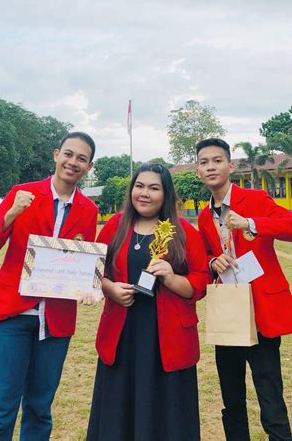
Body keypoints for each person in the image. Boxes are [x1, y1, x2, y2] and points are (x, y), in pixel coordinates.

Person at [0, 131, 98, 441]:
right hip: (13, 317)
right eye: (68, 154)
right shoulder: (22, 193)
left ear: (88, 167)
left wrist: (89, 287)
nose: (73, 162)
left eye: (81, 159)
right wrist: (12, 212)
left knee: (39, 409)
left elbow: (83, 265)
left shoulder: (88, 210)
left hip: (56, 323)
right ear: (56, 154)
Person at [195, 137, 292, 441]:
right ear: (198, 171)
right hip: (228, 313)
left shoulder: (256, 199)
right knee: (231, 398)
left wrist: (251, 224)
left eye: (217, 161)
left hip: (262, 314)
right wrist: (212, 261)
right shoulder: (205, 216)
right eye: (204, 162)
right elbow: (204, 256)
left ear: (230, 166)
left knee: (270, 395)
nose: (211, 167)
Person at [86, 164, 210, 441]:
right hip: (123, 334)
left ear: (166, 194)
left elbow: (201, 282)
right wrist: (110, 288)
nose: (145, 193)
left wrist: (171, 278)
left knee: (167, 413)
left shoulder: (183, 231)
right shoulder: (115, 226)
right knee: (119, 409)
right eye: (139, 186)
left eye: (154, 188)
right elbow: (93, 270)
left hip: (167, 337)